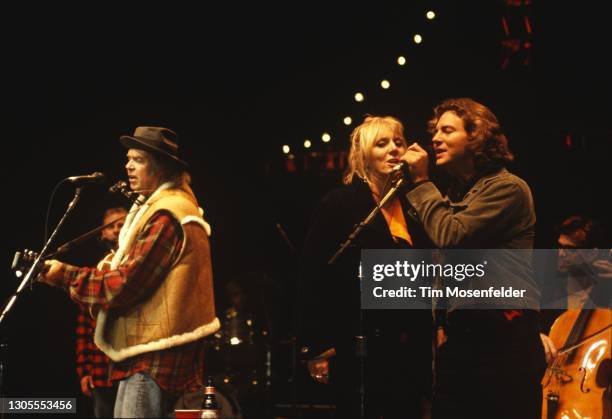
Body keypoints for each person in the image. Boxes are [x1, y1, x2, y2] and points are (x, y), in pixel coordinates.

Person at [40, 126, 219, 418]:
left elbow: (123, 285)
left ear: (161, 168)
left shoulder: (167, 215)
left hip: (153, 358)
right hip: (145, 354)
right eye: (128, 158)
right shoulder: (165, 208)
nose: (127, 166)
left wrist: (65, 275)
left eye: (138, 159)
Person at [399, 98, 545, 419]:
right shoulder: (453, 196)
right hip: (463, 340)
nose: (435, 138)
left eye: (447, 130)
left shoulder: (507, 189)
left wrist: (422, 183)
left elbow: (453, 237)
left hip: (503, 341)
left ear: (476, 137)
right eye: (435, 131)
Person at [299, 115, 433, 418]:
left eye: (398, 142)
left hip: (408, 346)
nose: (394, 150)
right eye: (382, 143)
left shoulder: (414, 205)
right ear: (363, 156)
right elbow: (314, 275)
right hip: (359, 344)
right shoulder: (339, 204)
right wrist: (316, 345)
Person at [76, 206, 126, 418]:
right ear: (102, 233)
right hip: (100, 369)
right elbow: (84, 324)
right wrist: (84, 371)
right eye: (110, 226)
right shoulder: (98, 270)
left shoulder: (133, 264)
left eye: (121, 225)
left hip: (128, 363)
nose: (116, 230)